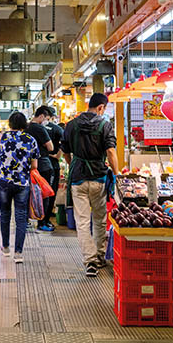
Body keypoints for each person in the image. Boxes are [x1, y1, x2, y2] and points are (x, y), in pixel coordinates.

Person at [62, 92, 118, 277]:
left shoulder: (71, 125)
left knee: (83, 221)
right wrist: (117, 176)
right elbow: (110, 151)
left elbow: (65, 152)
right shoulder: (105, 125)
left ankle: (90, 261)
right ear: (101, 107)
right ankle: (100, 257)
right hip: (99, 179)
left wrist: (73, 165)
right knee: (100, 219)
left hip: (78, 179)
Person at [0, 111, 39, 263]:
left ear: (10, 123)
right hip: (22, 182)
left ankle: (5, 247)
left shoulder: (0, 137)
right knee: (20, 216)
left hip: (3, 181)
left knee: (4, 214)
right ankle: (18, 253)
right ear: (24, 124)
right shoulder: (30, 139)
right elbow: (34, 165)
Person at [27, 106, 56, 232]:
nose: (47, 121)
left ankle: (27, 220)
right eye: (47, 118)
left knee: (29, 194)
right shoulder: (40, 128)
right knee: (45, 193)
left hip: (28, 166)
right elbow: (50, 147)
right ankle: (42, 222)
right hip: (43, 165)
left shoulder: (26, 127)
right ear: (42, 116)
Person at [46, 110, 65, 228]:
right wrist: (57, 156)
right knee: (51, 192)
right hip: (53, 165)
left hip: (40, 165)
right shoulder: (57, 129)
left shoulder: (36, 128)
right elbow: (65, 142)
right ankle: (46, 219)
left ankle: (40, 218)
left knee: (41, 192)